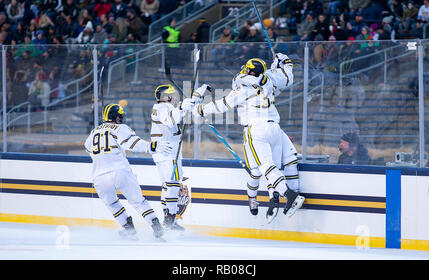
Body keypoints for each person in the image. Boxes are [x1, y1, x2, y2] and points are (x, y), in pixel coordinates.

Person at [192, 54, 305, 220]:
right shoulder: (270, 82)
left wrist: (201, 109)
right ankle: (282, 196)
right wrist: (283, 64)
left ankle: (289, 195)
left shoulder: (244, 86)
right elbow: (286, 79)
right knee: (273, 166)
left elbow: (224, 104)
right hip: (274, 127)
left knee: (265, 167)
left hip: (256, 129)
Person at [84, 103, 173, 240]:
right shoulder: (120, 128)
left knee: (112, 203)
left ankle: (128, 229)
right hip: (120, 170)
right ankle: (156, 226)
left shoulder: (93, 132)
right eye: (120, 115)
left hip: (99, 176)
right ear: (117, 116)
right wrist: (151, 146)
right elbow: (131, 143)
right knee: (139, 202)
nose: (122, 117)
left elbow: (88, 148)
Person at [150, 84, 202, 230]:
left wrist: (195, 99)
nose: (174, 97)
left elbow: (178, 115)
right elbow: (170, 120)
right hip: (169, 151)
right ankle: (170, 220)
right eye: (171, 95)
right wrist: (182, 107)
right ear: (165, 97)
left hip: (164, 152)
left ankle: (168, 216)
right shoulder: (163, 108)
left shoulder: (163, 107)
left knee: (167, 185)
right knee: (173, 184)